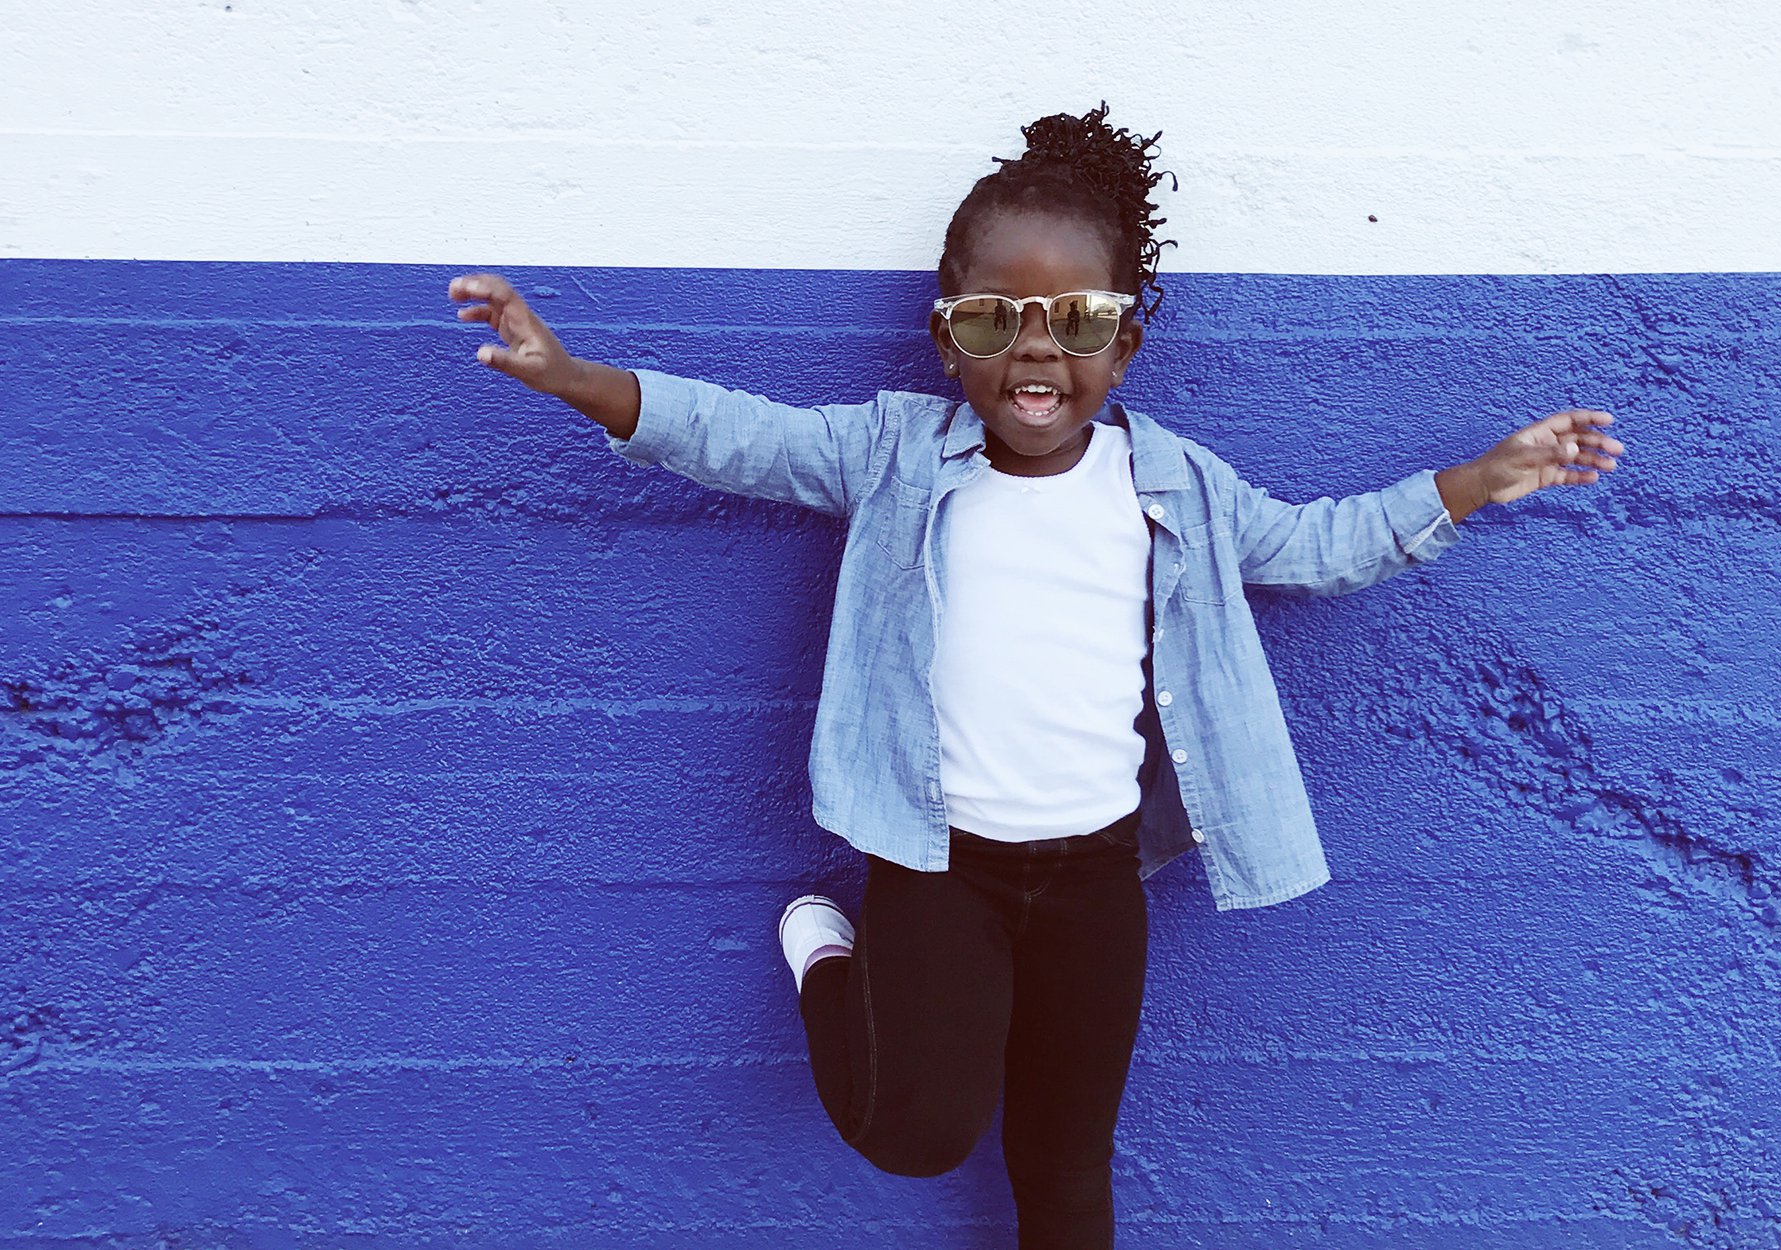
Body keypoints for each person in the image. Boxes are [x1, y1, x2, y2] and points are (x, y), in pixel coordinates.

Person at [445, 102, 1624, 1250]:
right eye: (992, 322)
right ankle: (826, 954)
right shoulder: (895, 451)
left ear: (1126, 345)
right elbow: (739, 435)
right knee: (913, 1132)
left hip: (1094, 879)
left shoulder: (1174, 485)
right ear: (944, 334)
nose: (1034, 352)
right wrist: (573, 375)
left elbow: (1317, 546)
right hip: (938, 866)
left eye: (1074, 319)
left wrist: (1476, 480)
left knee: (1063, 1174)